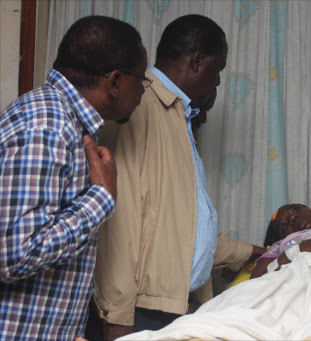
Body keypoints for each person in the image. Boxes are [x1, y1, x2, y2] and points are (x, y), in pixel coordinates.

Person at [91, 14, 265, 340]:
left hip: (171, 308)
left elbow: (182, 226)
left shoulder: (178, 116)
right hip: (137, 314)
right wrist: (117, 320)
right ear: (198, 60)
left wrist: (249, 252)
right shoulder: (138, 107)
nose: (217, 82)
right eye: (218, 70)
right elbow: (117, 223)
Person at [0, 15, 148, 340]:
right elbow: (13, 253)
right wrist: (101, 198)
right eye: (142, 80)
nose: (142, 92)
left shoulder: (64, 122)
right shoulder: (47, 126)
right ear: (115, 82)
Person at [116, 204, 311, 341]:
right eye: (285, 226)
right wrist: (296, 252)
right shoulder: (287, 246)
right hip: (289, 278)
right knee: (239, 310)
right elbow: (258, 280)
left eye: (295, 211)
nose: (293, 222)